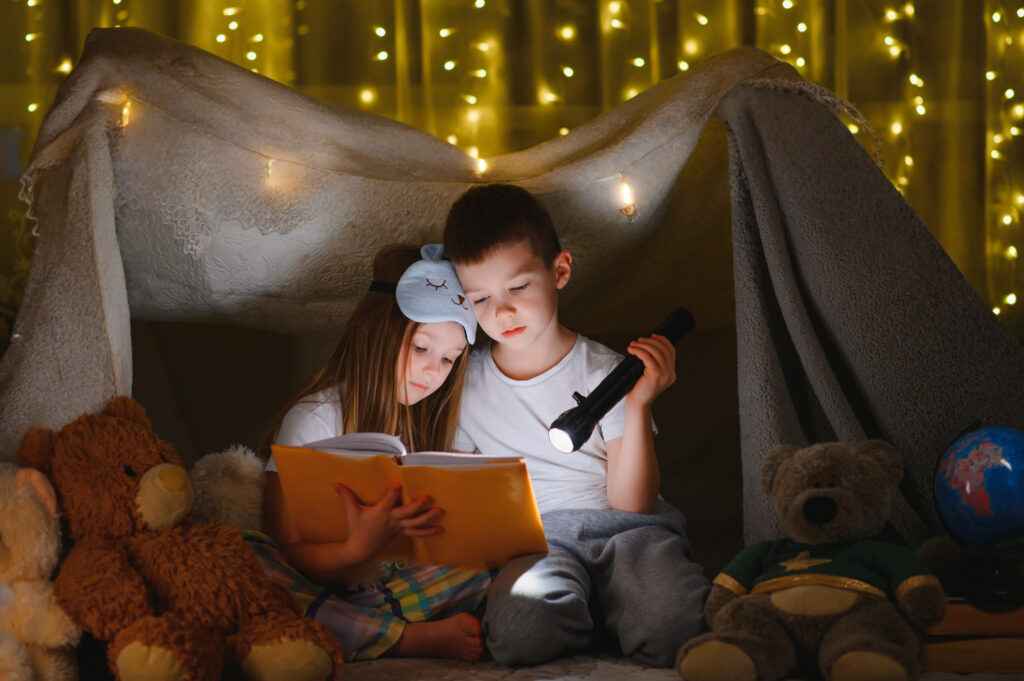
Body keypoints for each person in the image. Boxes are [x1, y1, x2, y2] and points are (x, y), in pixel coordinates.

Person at [442, 184, 711, 667]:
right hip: (538, 542)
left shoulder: (606, 373)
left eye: (518, 287)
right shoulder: (465, 385)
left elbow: (632, 504)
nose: (501, 312)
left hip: (630, 533)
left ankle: (622, 608)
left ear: (559, 271)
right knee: (520, 634)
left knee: (677, 628)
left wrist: (639, 404)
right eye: (479, 298)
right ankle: (589, 612)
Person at [246, 243, 495, 663]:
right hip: (320, 577)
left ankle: (353, 630)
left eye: (450, 359)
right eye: (420, 348)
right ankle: (406, 638)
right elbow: (287, 547)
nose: (433, 372)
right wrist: (355, 550)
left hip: (395, 584)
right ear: (378, 334)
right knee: (247, 559)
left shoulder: (435, 425)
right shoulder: (315, 419)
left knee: (493, 564)